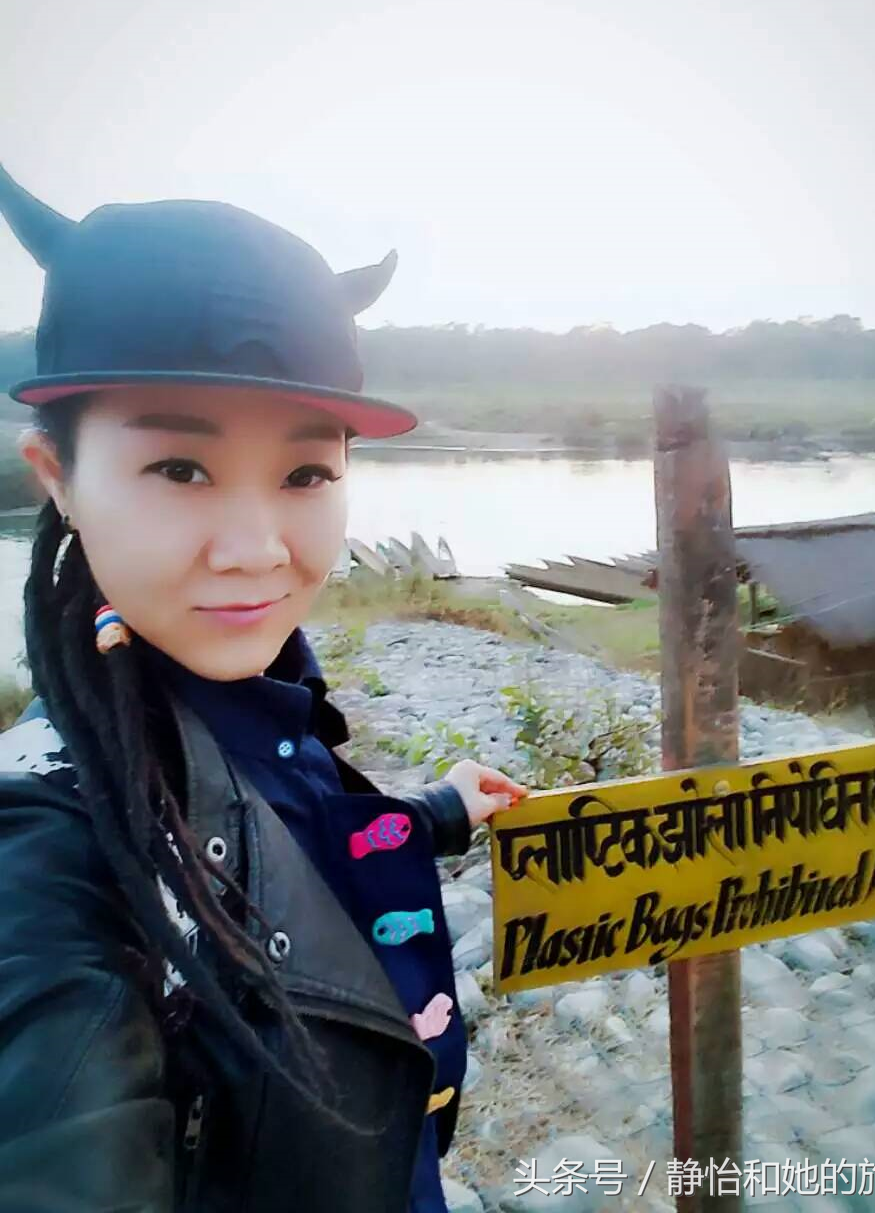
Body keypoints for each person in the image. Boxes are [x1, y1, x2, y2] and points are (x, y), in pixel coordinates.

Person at [0, 165, 527, 1212]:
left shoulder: (263, 700)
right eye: (179, 469)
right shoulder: (47, 839)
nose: (255, 551)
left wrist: (437, 812)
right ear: (57, 477)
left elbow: (281, 837)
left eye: (305, 475)